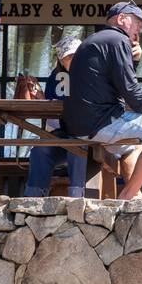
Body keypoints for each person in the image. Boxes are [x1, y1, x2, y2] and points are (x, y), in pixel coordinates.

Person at [63, 1, 142, 200]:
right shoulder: (117, 41)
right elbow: (130, 89)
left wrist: (135, 61)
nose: (140, 28)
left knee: (133, 147)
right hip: (101, 124)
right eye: (138, 22)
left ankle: (135, 197)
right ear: (122, 19)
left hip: (80, 126)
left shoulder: (95, 40)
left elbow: (115, 84)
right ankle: (128, 196)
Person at [23, 37, 84, 197]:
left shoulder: (94, 75)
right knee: (39, 151)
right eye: (69, 57)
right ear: (61, 60)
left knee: (76, 149)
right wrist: (42, 101)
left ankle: (77, 199)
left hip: (90, 136)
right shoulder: (56, 78)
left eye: (77, 56)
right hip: (62, 133)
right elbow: (52, 115)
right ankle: (33, 199)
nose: (74, 60)